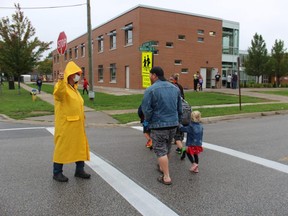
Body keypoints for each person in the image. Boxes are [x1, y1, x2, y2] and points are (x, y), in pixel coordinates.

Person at [142, 66, 182, 185]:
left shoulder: (151, 89)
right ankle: (162, 167)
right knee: (167, 147)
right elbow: (179, 108)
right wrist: (177, 121)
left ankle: (166, 176)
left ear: (154, 75)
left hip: (158, 124)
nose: (149, 77)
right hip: (173, 124)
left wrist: (147, 122)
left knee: (160, 150)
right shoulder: (175, 88)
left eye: (150, 75)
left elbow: (146, 109)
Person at [52, 61, 91, 182]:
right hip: (66, 126)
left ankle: (79, 170)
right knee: (62, 148)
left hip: (78, 125)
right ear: (69, 75)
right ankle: (57, 172)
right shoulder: (62, 87)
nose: (78, 76)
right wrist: (60, 80)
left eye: (78, 74)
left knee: (79, 147)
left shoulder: (75, 89)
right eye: (76, 74)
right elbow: (59, 94)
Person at [169, 74, 185, 157]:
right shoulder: (180, 87)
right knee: (179, 131)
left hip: (174, 113)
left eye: (171, 79)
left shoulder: (173, 88)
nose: (169, 80)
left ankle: (181, 148)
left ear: (175, 80)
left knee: (175, 133)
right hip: (181, 112)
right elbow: (183, 99)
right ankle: (180, 148)